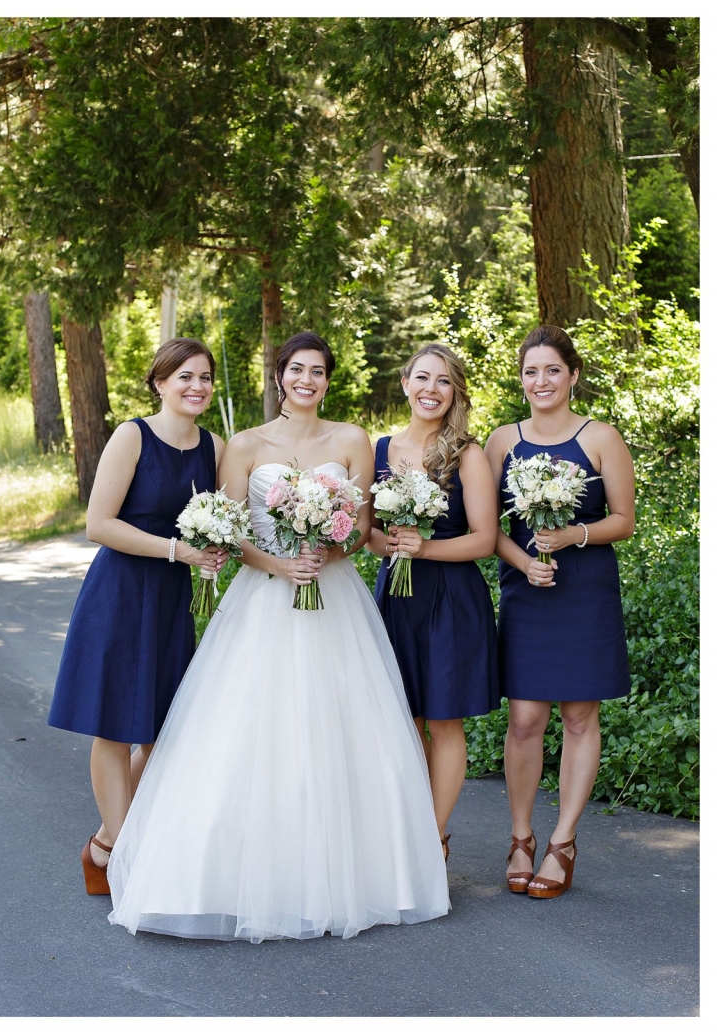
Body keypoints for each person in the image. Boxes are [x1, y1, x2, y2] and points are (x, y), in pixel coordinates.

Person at [107, 331, 450, 942]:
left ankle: (358, 877)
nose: (307, 380)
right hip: (264, 597)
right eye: (297, 369)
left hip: (333, 596)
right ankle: (224, 873)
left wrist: (327, 546)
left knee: (342, 731)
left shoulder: (349, 440)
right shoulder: (242, 445)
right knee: (248, 731)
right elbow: (233, 532)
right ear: (279, 376)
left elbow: (363, 527)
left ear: (327, 379)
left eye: (318, 371)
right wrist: (280, 564)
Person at [48, 338, 226, 895]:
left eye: (204, 378)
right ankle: (126, 857)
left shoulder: (214, 448)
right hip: (121, 592)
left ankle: (104, 842)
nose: (195, 387)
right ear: (159, 383)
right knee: (116, 729)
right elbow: (98, 524)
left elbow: (223, 515)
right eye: (184, 377)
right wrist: (178, 550)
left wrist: (217, 547)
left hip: (174, 601)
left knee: (162, 733)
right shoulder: (133, 436)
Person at [484, 325, 635, 898]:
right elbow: (487, 526)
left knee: (578, 717)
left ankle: (563, 843)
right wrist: (524, 563)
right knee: (524, 718)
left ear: (572, 375)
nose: (540, 381)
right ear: (521, 379)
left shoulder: (601, 438)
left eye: (552, 370)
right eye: (531, 371)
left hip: (585, 591)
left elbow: (624, 520)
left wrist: (574, 534)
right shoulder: (502, 441)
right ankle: (520, 837)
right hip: (529, 590)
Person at [368, 343, 499, 862]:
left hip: (451, 597)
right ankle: (408, 825)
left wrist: (424, 547)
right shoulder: (379, 449)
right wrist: (394, 544)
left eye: (443, 381)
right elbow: (369, 535)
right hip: (396, 597)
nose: (431, 389)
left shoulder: (467, 451)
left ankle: (432, 840)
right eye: (422, 378)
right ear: (404, 383)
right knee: (404, 718)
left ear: (455, 392)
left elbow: (484, 540)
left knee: (443, 720)